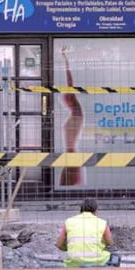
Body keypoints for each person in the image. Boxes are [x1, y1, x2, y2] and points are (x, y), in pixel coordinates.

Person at [56, 198, 113, 267]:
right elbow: (110, 242)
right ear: (96, 210)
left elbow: (59, 244)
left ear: (81, 210)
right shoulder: (102, 223)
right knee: (113, 257)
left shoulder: (69, 222)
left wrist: (68, 247)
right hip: (96, 261)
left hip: (74, 262)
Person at [59, 45, 84, 186]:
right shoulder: (72, 110)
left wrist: (65, 58)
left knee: (70, 149)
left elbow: (69, 78)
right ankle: (70, 178)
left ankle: (71, 178)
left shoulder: (71, 92)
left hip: (77, 116)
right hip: (75, 116)